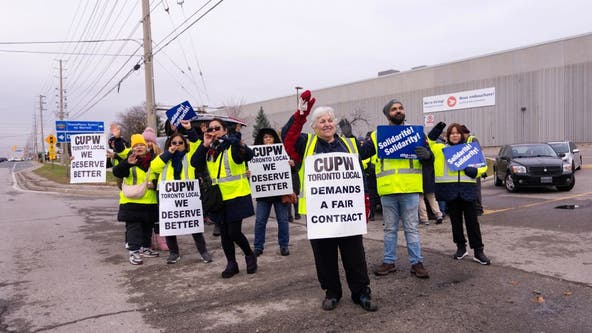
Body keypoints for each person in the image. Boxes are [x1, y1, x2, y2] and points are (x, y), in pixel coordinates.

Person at [282, 92, 377, 312]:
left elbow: (360, 172)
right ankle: (332, 292)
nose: (327, 124)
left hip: (347, 212)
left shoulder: (350, 144)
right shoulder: (306, 143)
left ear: (335, 123)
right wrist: (301, 114)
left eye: (329, 120)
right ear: (314, 126)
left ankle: (361, 292)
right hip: (320, 214)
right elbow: (288, 137)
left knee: (355, 255)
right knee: (324, 257)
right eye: (321, 121)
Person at [359, 99, 431, 279]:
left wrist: (428, 156)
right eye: (393, 109)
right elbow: (362, 154)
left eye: (400, 108)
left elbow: (430, 158)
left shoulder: (417, 133)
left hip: (409, 189)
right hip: (388, 189)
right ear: (387, 114)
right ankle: (389, 262)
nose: (398, 111)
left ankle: (417, 263)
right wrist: (351, 139)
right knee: (390, 229)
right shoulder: (377, 136)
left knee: (412, 228)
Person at [191, 118, 257, 278]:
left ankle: (249, 254)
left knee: (234, 232)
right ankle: (231, 264)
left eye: (217, 128)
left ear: (225, 130)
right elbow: (194, 162)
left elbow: (249, 154)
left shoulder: (232, 145)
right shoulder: (210, 149)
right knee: (225, 234)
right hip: (218, 198)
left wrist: (233, 140)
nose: (213, 131)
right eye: (211, 129)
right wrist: (204, 144)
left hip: (237, 195)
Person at [428, 122, 491, 265]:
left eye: (457, 133)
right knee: (455, 222)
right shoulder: (441, 149)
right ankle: (461, 247)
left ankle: (478, 250)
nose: (454, 135)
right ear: (447, 136)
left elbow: (483, 165)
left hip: (467, 190)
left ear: (462, 135)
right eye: (451, 133)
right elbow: (429, 143)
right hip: (450, 191)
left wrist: (476, 171)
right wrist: (437, 129)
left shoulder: (470, 149)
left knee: (472, 222)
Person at [151, 120, 212, 264]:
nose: (177, 145)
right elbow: (154, 167)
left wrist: (190, 130)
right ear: (169, 145)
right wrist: (168, 154)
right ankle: (174, 253)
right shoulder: (164, 157)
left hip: (188, 196)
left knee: (194, 226)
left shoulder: (190, 157)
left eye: (180, 143)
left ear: (185, 145)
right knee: (170, 226)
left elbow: (198, 145)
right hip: (168, 197)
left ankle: (203, 252)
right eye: (174, 143)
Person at [112, 134, 160, 265]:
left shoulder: (154, 160)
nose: (139, 147)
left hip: (149, 200)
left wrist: (155, 184)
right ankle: (134, 252)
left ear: (146, 146)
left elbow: (160, 176)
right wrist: (127, 163)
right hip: (131, 201)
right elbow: (117, 172)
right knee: (134, 228)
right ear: (132, 149)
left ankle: (145, 248)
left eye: (141, 145)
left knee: (147, 227)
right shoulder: (129, 160)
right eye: (136, 146)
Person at [252, 128, 291, 257]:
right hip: (263, 194)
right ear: (261, 140)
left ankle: (284, 246)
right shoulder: (254, 156)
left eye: (270, 137)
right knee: (260, 221)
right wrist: (249, 173)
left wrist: (291, 165)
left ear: (274, 139)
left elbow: (292, 174)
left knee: (283, 220)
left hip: (280, 193)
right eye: (265, 137)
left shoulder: (282, 153)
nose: (268, 140)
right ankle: (258, 247)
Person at [460, 125, 484, 216]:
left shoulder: (472, 139)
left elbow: (478, 153)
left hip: (475, 168)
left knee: (476, 189)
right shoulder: (464, 141)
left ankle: (478, 208)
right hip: (468, 168)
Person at [418, 149, 443, 225]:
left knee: (420, 199)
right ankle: (438, 214)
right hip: (429, 178)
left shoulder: (414, 151)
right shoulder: (428, 151)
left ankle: (424, 219)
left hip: (418, 178)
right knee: (432, 198)